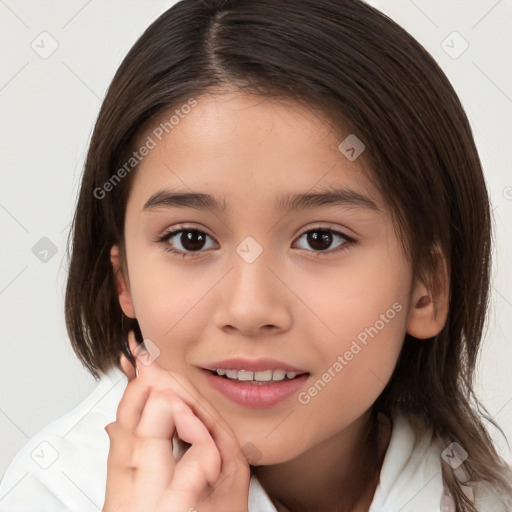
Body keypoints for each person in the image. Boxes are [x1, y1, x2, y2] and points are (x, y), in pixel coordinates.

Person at [1, 0, 511, 510]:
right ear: (124, 282)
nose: (248, 310)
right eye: (191, 240)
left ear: (427, 288)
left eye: (320, 239)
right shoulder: (52, 492)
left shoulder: (484, 496)